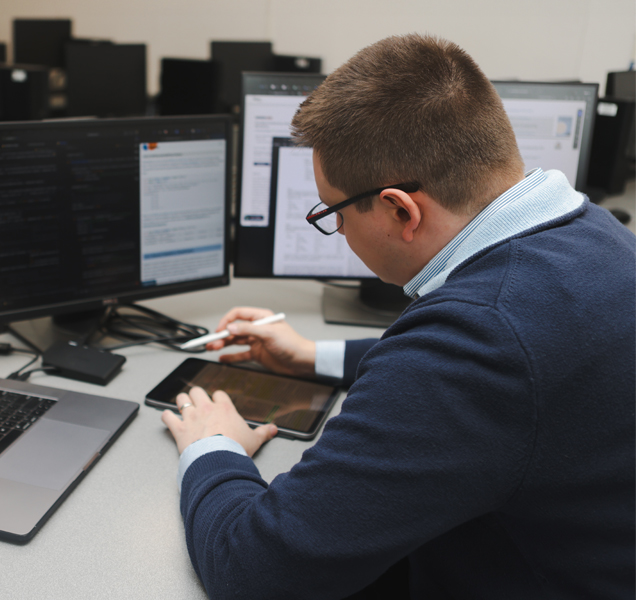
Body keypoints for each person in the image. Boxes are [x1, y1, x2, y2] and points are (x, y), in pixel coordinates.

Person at [161, 33, 635, 599]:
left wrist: (213, 448)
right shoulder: (594, 233)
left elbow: (255, 571)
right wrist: (313, 354)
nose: (336, 230)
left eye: (332, 213)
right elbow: (503, 371)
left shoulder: (479, 341)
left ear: (400, 210)